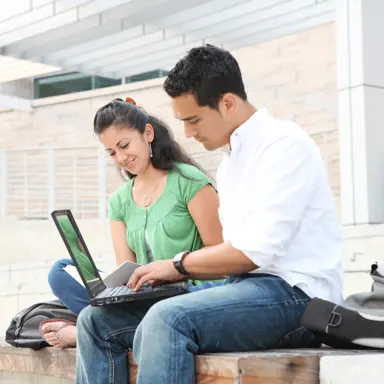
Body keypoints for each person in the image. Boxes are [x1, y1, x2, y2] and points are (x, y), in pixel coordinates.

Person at [75, 45, 343, 384]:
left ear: (227, 103)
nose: (187, 133)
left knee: (166, 319)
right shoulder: (232, 161)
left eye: (193, 119)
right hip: (245, 289)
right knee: (95, 322)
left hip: (298, 298)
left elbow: (254, 252)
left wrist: (176, 265)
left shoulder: (284, 145)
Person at [41, 97, 224, 349]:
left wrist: (172, 270)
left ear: (147, 133)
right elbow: (125, 268)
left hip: (191, 290)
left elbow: (221, 257)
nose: (121, 158)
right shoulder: (120, 201)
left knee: (109, 317)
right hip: (146, 292)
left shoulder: (188, 181)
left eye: (124, 145)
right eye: (112, 153)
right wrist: (124, 288)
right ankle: (110, 324)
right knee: (60, 271)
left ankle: (84, 331)